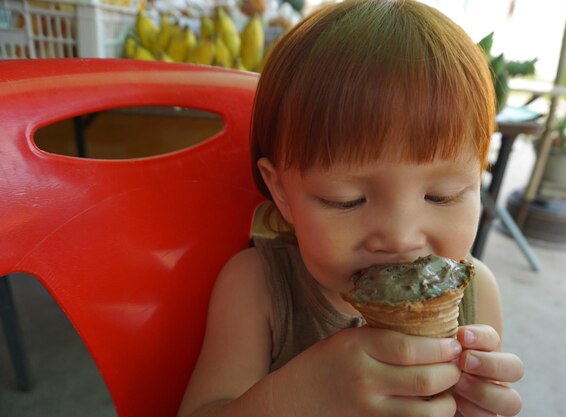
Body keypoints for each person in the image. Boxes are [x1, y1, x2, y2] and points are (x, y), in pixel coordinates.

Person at [178, 0, 524, 416]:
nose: (400, 236)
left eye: (443, 195)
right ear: (282, 192)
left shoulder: (477, 293)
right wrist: (296, 396)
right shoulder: (256, 290)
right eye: (347, 200)